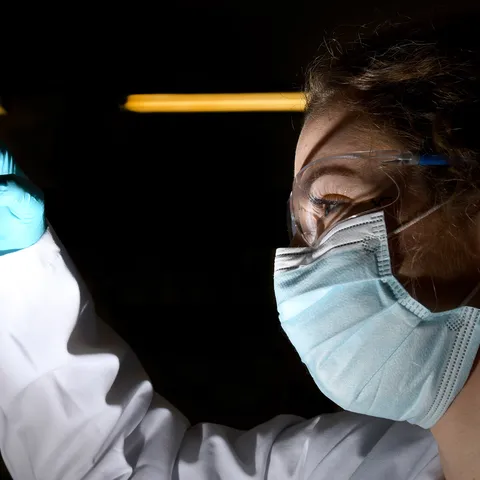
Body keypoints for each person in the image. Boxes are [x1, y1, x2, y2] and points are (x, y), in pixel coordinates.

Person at [1, 13, 480, 480]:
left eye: (333, 204)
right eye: (298, 225)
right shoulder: (358, 463)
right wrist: (17, 264)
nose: (299, 265)